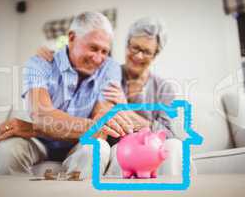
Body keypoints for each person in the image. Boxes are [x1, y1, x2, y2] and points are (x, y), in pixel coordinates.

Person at [36, 17, 189, 176]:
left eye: (146, 52)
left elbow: (170, 134)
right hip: (114, 145)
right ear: (127, 45)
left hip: (151, 147)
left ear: (156, 54)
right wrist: (52, 57)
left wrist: (126, 110)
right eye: (134, 48)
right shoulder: (106, 73)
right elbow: (75, 58)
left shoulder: (164, 89)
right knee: (117, 152)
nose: (138, 55)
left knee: (175, 147)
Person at [0, 11, 137, 178]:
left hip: (78, 144)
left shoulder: (110, 68)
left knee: (97, 147)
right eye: (93, 48)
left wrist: (34, 128)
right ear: (71, 37)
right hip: (40, 144)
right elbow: (42, 115)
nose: (99, 58)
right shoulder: (40, 63)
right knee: (8, 148)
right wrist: (43, 124)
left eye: (105, 51)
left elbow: (101, 128)